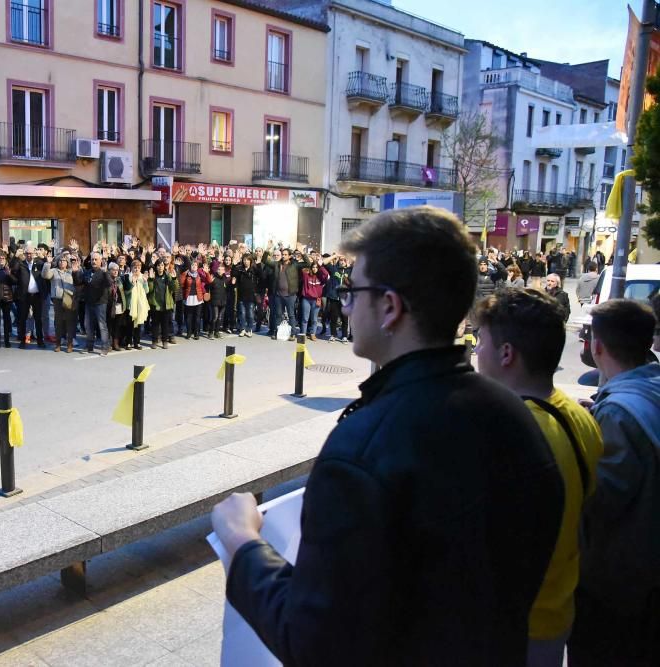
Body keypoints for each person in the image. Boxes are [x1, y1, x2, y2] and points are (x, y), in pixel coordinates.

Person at [211, 206, 563, 666]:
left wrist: (242, 544)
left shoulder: (362, 451)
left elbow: (313, 640)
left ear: (390, 307)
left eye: (353, 291)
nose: (346, 304)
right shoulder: (514, 415)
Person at [473, 288, 603, 667]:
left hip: (512, 628)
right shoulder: (578, 416)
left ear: (506, 353)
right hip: (556, 614)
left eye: (480, 341)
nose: (475, 351)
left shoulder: (510, 435)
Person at [568, 299, 660, 667]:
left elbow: (596, 502)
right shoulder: (648, 389)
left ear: (597, 346)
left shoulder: (618, 413)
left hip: (619, 592)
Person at [42, 252, 82, 353]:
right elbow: (45, 275)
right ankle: (58, 344)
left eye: (64, 260)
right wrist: (47, 263)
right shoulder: (54, 271)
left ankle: (69, 344)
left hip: (69, 299)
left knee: (69, 322)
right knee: (58, 323)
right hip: (58, 299)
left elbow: (79, 278)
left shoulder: (70, 271)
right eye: (60, 260)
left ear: (67, 262)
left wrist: (76, 268)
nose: (62, 262)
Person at [13, 245, 47, 349]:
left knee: (38, 319)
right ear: (24, 254)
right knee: (23, 319)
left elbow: (48, 267)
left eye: (31, 253)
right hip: (25, 295)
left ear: (34, 253)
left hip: (37, 295)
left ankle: (40, 341)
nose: (29, 255)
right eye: (27, 253)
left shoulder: (40, 264)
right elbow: (13, 271)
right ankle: (22, 341)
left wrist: (45, 257)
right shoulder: (21, 264)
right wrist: (15, 257)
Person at [265, 247, 300, 341]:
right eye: (283, 254)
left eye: (285, 255)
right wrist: (268, 249)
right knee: (278, 315)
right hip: (278, 295)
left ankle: (293, 334)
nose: (283, 256)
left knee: (291, 315)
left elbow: (308, 264)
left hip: (290, 295)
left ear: (289, 256)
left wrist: (302, 252)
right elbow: (265, 260)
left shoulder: (294, 265)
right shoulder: (277, 264)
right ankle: (277, 332)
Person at [84, 252, 112, 355]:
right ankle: (89, 346)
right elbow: (80, 281)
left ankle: (105, 347)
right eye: (92, 260)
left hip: (100, 303)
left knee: (102, 326)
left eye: (96, 259)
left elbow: (109, 283)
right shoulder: (87, 272)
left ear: (101, 261)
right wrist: (74, 272)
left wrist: (105, 273)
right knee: (89, 325)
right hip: (89, 303)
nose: (94, 261)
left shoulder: (104, 272)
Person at [147, 261, 177, 349]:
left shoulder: (168, 276)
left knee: (165, 324)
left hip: (166, 304)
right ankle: (154, 341)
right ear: (156, 267)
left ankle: (164, 341)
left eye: (162, 265)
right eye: (159, 265)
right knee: (155, 324)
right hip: (155, 304)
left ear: (164, 267)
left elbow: (174, 288)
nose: (160, 267)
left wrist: (174, 279)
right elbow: (150, 289)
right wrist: (151, 279)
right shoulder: (153, 276)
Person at [298, 258, 327, 340]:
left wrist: (321, 266)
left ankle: (312, 333)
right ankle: (303, 333)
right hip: (306, 299)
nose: (315, 269)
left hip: (316, 300)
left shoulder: (321, 277)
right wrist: (312, 260)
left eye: (316, 267)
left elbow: (327, 275)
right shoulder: (306, 275)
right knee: (305, 318)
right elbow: (303, 268)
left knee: (314, 319)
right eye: (313, 267)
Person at [231, 254, 259, 337]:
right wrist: (235, 264)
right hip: (241, 295)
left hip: (251, 295)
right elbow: (234, 274)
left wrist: (259, 263)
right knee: (242, 313)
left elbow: (261, 275)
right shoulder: (240, 269)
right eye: (244, 260)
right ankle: (242, 329)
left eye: (247, 260)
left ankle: (249, 329)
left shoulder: (254, 270)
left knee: (250, 314)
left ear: (250, 261)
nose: (245, 261)